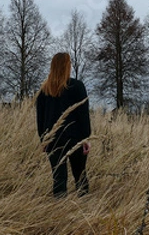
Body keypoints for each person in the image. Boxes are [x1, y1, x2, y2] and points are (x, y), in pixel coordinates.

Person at [36, 52, 91, 198]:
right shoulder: (77, 86)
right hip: (75, 138)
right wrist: (86, 138)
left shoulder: (44, 90)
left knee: (58, 178)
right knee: (80, 175)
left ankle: (60, 211)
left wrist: (44, 140)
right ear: (67, 66)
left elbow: (40, 119)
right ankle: (84, 209)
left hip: (53, 140)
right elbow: (83, 116)